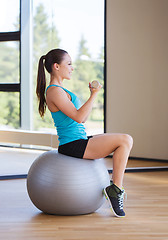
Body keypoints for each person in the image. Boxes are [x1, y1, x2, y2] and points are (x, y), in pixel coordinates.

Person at [36, 48, 133, 218]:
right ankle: (115, 190)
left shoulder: (61, 90)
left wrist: (91, 95)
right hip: (72, 144)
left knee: (125, 140)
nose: (72, 68)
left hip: (79, 139)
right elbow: (79, 117)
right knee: (125, 140)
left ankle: (115, 188)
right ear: (56, 66)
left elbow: (83, 118)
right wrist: (94, 95)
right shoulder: (54, 91)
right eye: (69, 64)